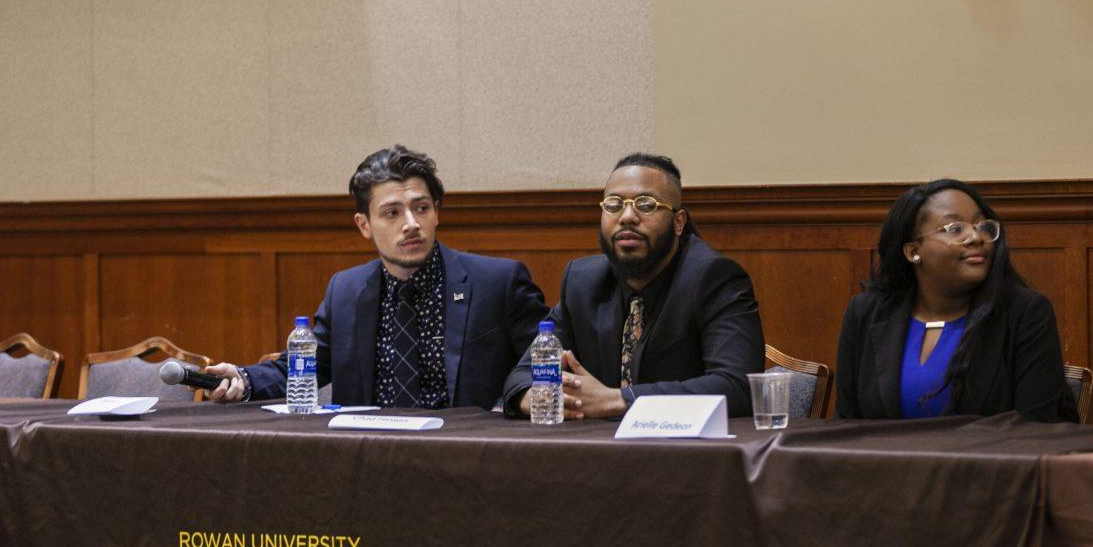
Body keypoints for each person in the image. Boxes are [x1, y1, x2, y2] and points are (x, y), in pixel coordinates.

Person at [205, 145, 548, 409]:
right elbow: (302, 369)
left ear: (437, 213)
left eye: (422, 208)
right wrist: (243, 378)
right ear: (364, 225)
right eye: (392, 213)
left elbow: (545, 365)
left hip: (467, 455)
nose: (411, 223)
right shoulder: (346, 290)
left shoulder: (497, 282)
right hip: (369, 457)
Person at [502, 153, 764, 419]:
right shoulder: (582, 282)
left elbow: (738, 386)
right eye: (614, 205)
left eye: (646, 205)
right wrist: (538, 397)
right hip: (594, 451)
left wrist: (617, 400)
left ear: (678, 222)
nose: (627, 216)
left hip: (688, 451)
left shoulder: (713, 278)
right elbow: (522, 376)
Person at [834, 178, 1077, 422]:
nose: (976, 237)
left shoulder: (1025, 313)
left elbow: (1035, 427)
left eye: (982, 226)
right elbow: (846, 424)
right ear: (913, 251)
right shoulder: (865, 313)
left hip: (989, 460)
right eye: (955, 228)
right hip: (879, 460)